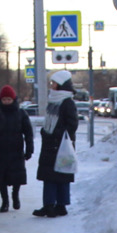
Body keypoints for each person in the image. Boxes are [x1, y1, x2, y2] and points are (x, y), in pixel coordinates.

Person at [34, 69, 78, 217]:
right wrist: (46, 132)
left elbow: (72, 124)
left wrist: (56, 134)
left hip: (62, 146)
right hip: (50, 144)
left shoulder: (67, 102)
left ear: (60, 85)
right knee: (49, 176)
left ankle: (60, 205)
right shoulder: (53, 99)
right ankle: (49, 204)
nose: (51, 85)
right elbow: (49, 121)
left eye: (54, 83)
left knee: (61, 175)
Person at [0, 85, 33, 212]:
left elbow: (28, 132)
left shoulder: (20, 114)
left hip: (16, 150)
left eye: (9, 99)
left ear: (13, 100)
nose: (6, 102)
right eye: (4, 100)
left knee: (17, 176)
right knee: (1, 178)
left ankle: (15, 196)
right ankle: (5, 201)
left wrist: (29, 148)